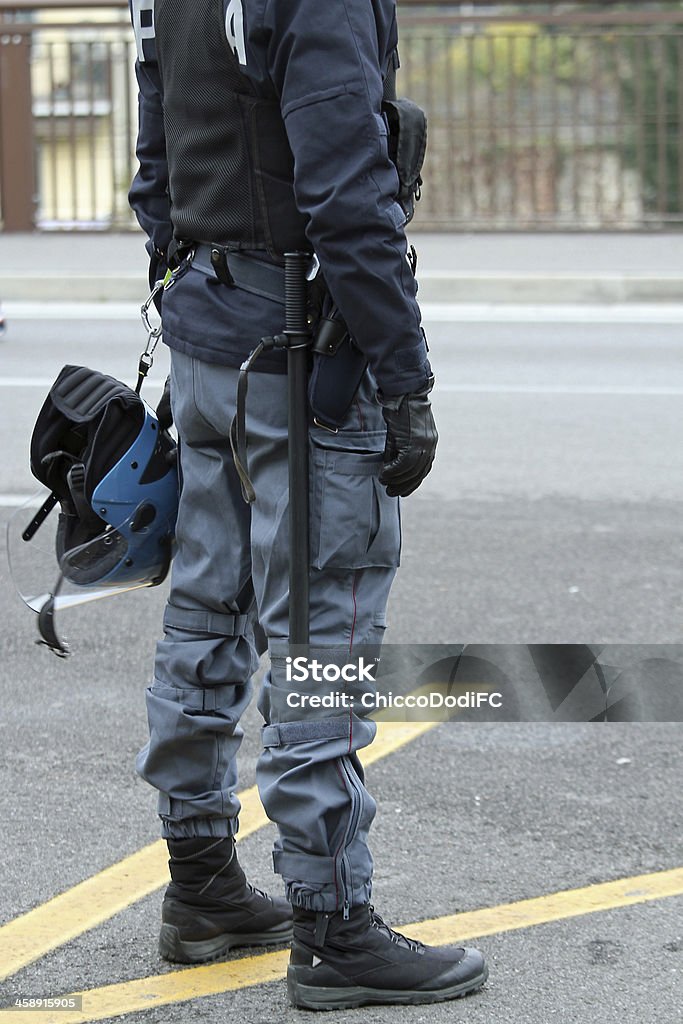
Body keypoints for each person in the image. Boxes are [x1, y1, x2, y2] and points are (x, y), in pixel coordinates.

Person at [128, 0, 487, 1010]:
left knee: (202, 614)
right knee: (321, 636)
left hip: (207, 336)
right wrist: (403, 377)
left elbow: (154, 166)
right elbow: (344, 193)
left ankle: (201, 889)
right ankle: (332, 928)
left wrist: (190, 292)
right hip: (301, 359)